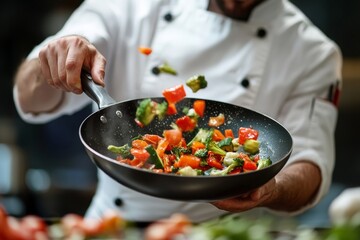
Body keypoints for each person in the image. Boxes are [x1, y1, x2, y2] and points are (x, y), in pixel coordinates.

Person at [13, 0, 342, 223]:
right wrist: (55, 62)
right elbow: (28, 98)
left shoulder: (313, 51)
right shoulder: (132, 5)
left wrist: (271, 188)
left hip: (223, 230)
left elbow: (311, 169)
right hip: (112, 224)